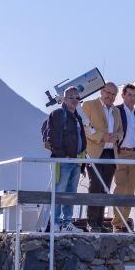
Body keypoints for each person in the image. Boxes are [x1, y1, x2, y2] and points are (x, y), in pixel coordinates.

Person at [82, 83, 123, 232]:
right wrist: (102, 136)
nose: (110, 96)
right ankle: (91, 221)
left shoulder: (116, 111)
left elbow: (120, 131)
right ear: (101, 91)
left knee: (105, 188)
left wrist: (115, 137)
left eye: (113, 94)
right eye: (108, 92)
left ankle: (99, 222)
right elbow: (86, 128)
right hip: (94, 152)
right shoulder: (89, 105)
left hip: (110, 153)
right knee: (95, 186)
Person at [45, 86, 86, 232]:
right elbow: (52, 138)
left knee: (71, 193)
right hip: (64, 161)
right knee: (60, 191)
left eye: (77, 97)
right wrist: (64, 156)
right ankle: (55, 222)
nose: (75, 100)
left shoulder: (77, 116)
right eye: (71, 97)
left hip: (76, 161)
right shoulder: (57, 114)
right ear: (64, 99)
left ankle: (67, 223)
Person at [112, 84, 135, 232]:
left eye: (134, 95)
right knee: (120, 187)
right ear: (123, 96)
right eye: (129, 95)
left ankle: (124, 222)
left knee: (130, 190)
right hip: (121, 153)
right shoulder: (116, 110)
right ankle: (117, 223)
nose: (132, 98)